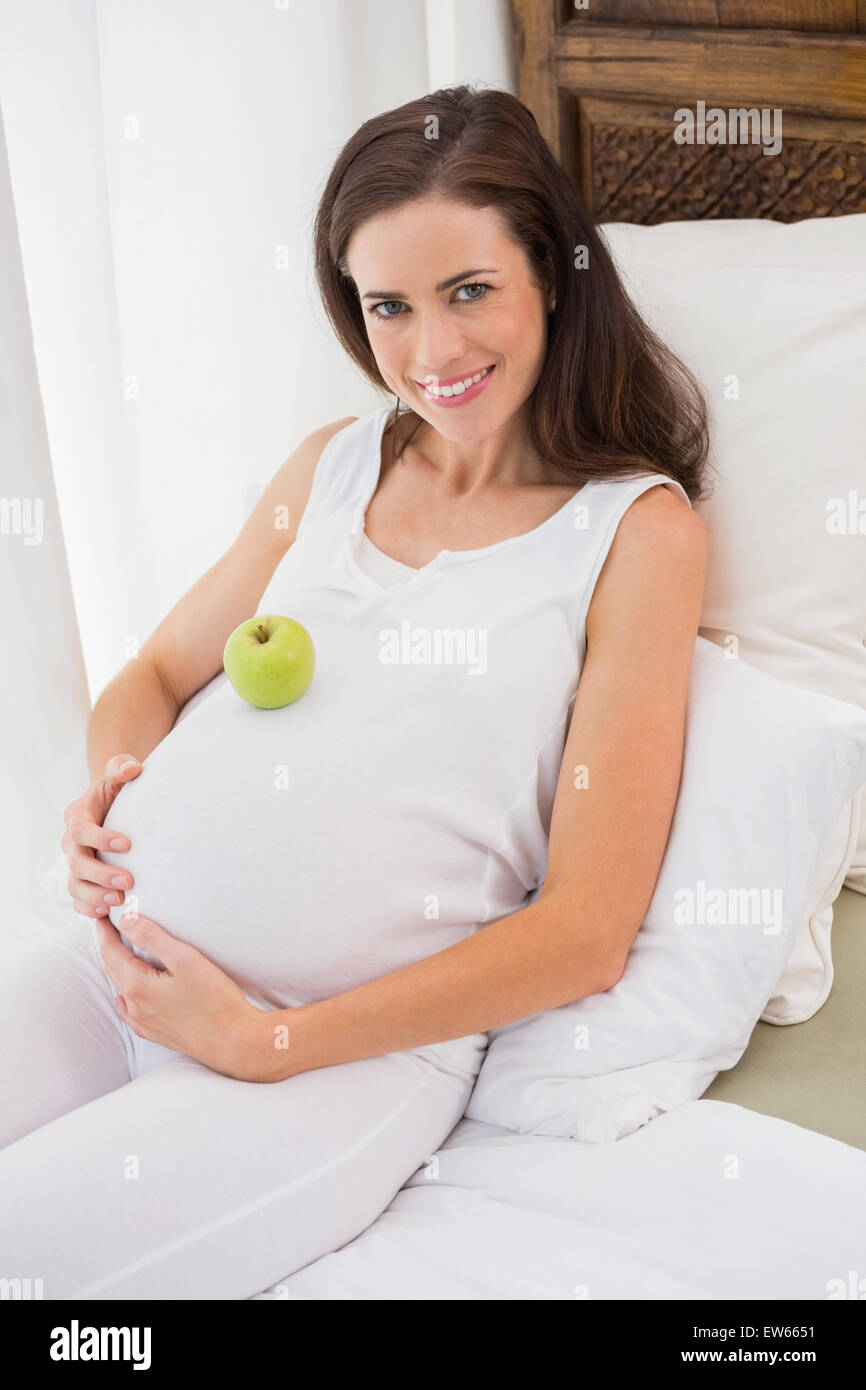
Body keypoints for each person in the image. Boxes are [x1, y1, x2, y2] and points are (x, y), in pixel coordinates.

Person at [0, 85, 710, 1300]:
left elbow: (585, 932)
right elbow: (155, 678)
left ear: (553, 273)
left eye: (468, 291)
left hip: (332, 1059)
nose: (430, 353)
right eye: (389, 305)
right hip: (113, 969)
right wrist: (111, 795)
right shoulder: (336, 463)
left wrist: (264, 1041)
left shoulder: (632, 532)